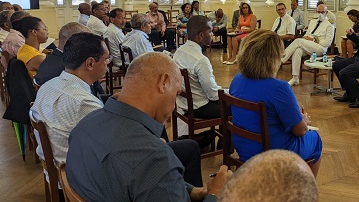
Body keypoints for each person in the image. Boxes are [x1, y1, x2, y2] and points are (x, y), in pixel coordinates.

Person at [66, 52, 232, 201]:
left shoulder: (83, 125)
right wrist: (215, 193)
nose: (174, 106)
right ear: (163, 82)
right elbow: (148, 172)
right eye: (176, 94)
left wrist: (191, 191)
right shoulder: (154, 159)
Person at [230, 29, 322, 177]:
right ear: (272, 58)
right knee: (315, 138)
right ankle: (305, 192)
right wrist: (303, 120)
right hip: (271, 153)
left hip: (243, 147)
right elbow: (300, 130)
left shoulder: (237, 79)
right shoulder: (279, 88)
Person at [30, 32, 107, 164]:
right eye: (106, 59)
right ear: (90, 63)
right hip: (72, 172)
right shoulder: (83, 102)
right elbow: (105, 144)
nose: (108, 64)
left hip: (52, 164)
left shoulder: (49, 85)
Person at [173, 15, 225, 119]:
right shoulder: (201, 60)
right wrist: (227, 91)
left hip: (183, 104)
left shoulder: (179, 51)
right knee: (238, 106)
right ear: (201, 35)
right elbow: (213, 95)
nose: (212, 34)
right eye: (210, 31)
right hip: (200, 107)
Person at [218, 150, 318, 202]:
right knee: (316, 140)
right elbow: (300, 129)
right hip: (273, 144)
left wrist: (213, 194)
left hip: (242, 145)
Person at [282, 3, 334, 86]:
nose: (320, 14)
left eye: (322, 12)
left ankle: (282, 58)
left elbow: (328, 43)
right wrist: (306, 37)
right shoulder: (313, 22)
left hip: (320, 48)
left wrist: (313, 39)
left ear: (326, 12)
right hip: (308, 45)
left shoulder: (329, 25)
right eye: (318, 12)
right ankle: (295, 78)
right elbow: (307, 34)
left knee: (298, 41)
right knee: (297, 51)